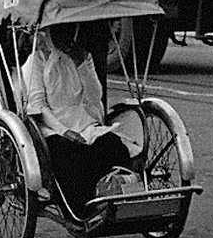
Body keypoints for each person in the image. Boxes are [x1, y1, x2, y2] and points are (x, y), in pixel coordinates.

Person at [23, 22, 133, 216]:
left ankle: (119, 198)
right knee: (68, 154)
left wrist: (81, 63)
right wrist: (64, 131)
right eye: (58, 31)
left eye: (69, 30)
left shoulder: (84, 56)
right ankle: (81, 210)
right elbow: (39, 105)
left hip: (83, 120)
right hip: (51, 125)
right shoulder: (36, 61)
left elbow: (94, 96)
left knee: (114, 146)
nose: (65, 36)